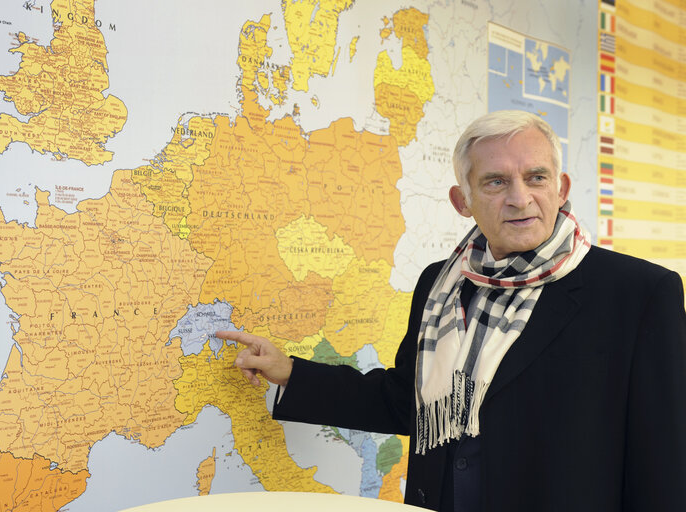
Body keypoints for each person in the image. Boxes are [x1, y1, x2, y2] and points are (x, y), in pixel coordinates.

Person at [217, 110, 686, 511]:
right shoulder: (439, 284)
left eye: (536, 177)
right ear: (462, 201)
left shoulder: (639, 293)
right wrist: (291, 373)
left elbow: (663, 461)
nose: (520, 198)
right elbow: (407, 401)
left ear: (560, 188)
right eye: (496, 182)